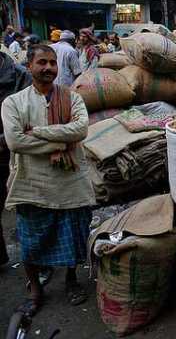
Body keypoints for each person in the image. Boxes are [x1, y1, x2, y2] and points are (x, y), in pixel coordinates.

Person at [1, 44, 95, 316]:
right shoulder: (14, 102)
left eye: (52, 63)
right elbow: (16, 141)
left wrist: (39, 132)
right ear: (29, 65)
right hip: (32, 184)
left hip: (68, 183)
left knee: (72, 236)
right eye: (42, 62)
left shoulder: (71, 98)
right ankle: (34, 289)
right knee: (31, 242)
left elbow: (80, 129)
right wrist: (62, 143)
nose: (48, 68)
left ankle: (70, 280)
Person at [0, 50, 31, 266]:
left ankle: (39, 262)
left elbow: (32, 117)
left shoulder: (20, 76)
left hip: (16, 153)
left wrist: (6, 138)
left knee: (26, 209)